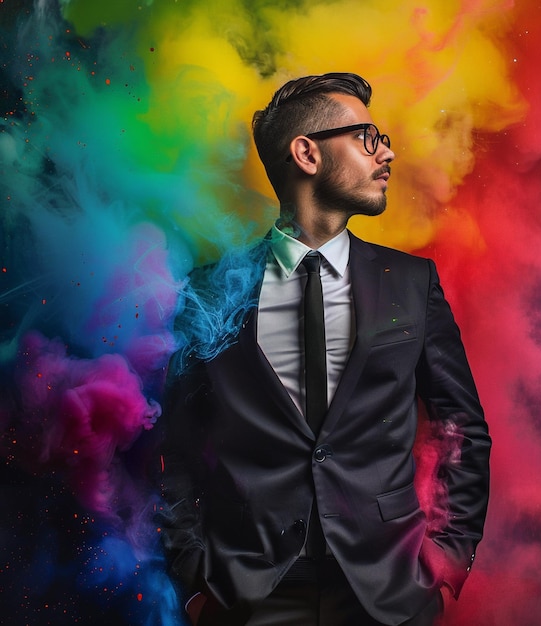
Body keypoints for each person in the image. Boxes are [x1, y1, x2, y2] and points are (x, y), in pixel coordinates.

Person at [159, 72, 491, 626]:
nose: (387, 152)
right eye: (368, 137)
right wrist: (191, 572)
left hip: (390, 591)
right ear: (307, 153)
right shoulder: (209, 289)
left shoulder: (411, 282)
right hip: (248, 592)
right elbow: (173, 444)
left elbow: (462, 426)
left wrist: (448, 558)